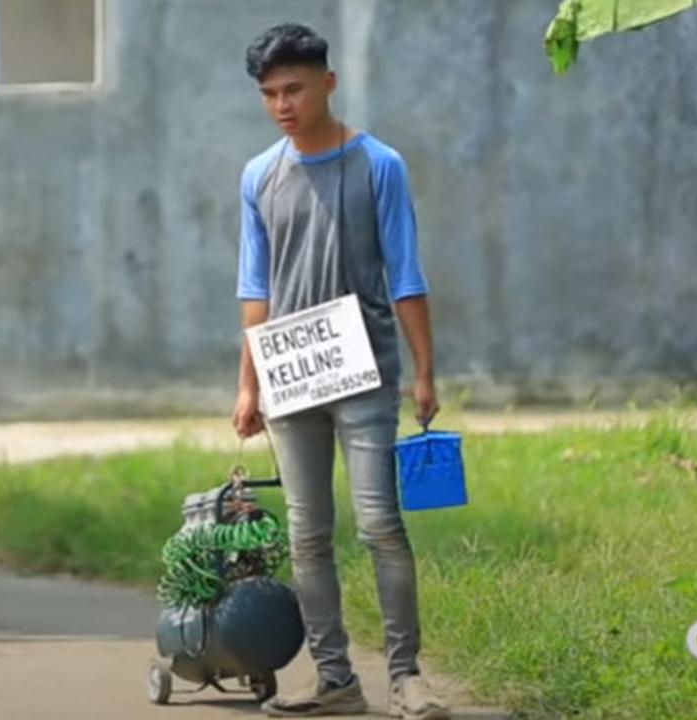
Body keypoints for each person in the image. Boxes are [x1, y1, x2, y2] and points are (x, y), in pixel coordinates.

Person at [232, 23, 449, 720]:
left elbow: (406, 272)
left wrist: (423, 372)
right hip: (292, 375)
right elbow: (254, 289)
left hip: (366, 370)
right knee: (306, 533)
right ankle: (334, 679)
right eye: (269, 94)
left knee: (381, 524)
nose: (282, 104)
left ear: (328, 82)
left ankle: (407, 676)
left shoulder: (379, 164)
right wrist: (248, 384)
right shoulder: (258, 175)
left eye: (294, 88)